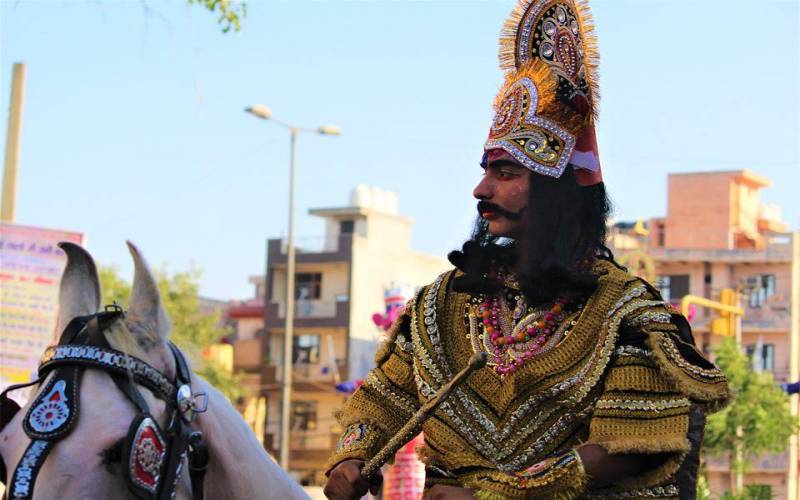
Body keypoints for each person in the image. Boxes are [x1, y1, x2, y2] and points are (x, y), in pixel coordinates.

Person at [323, 0, 729, 498]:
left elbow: (628, 444)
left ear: (557, 189)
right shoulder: (443, 302)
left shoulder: (625, 312)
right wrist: (354, 454)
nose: (480, 189)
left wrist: (494, 493)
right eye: (485, 170)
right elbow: (385, 395)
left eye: (506, 173)